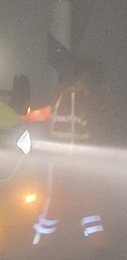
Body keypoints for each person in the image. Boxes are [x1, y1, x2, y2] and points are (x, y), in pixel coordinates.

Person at [27, 60, 108, 244]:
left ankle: (41, 242)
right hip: (73, 161)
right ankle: (97, 244)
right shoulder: (75, 98)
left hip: (64, 160)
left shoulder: (69, 96)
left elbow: (55, 119)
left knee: (57, 200)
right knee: (80, 201)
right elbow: (68, 126)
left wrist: (22, 118)